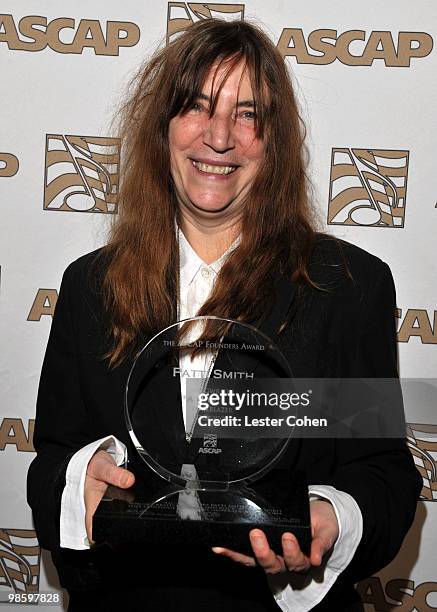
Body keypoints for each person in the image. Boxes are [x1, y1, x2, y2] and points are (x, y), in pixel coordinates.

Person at [27, 18, 421, 612]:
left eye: (248, 114)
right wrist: (78, 481)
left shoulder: (347, 287)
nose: (219, 137)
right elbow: (51, 459)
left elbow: (384, 476)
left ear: (275, 141)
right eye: (197, 107)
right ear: (161, 129)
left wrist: (336, 516)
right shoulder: (91, 285)